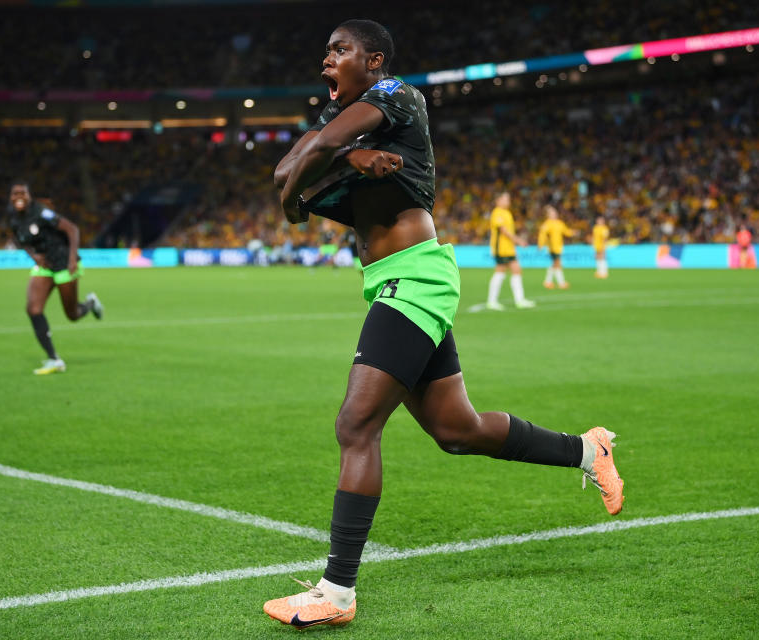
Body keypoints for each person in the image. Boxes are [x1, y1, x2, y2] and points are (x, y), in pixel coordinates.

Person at [263, 19, 624, 630]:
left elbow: (305, 162)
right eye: (324, 51)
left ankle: (337, 591)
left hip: (416, 277)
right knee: (458, 430)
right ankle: (588, 451)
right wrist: (345, 154)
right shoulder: (346, 139)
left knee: (356, 424)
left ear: (373, 60)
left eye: (340, 50)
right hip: (392, 281)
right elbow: (285, 189)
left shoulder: (399, 97)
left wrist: (327, 151)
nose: (327, 60)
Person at [8, 180, 104, 375]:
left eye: (22, 193)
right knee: (33, 309)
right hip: (45, 266)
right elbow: (18, 240)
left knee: (72, 315)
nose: (19, 197)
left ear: (29, 196)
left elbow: (72, 229)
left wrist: (72, 260)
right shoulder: (13, 219)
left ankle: (90, 303)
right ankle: (54, 359)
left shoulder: (41, 213)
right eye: (15, 194)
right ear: (10, 198)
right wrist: (33, 256)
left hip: (63, 263)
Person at [486, 191, 535, 310]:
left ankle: (519, 300)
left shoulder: (507, 213)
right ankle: (492, 301)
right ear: (498, 200)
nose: (508, 201)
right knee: (500, 272)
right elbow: (504, 231)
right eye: (505, 199)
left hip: (509, 248)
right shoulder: (497, 213)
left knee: (516, 270)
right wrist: (519, 241)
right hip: (501, 248)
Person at [537, 205, 576, 289]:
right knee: (557, 263)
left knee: (555, 264)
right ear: (548, 215)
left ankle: (548, 282)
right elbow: (542, 235)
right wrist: (540, 244)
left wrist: (572, 232)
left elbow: (566, 231)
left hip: (559, 246)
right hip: (552, 247)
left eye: (555, 212)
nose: (554, 214)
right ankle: (560, 283)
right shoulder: (547, 224)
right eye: (552, 213)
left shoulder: (559, 223)